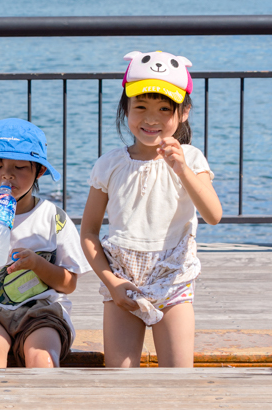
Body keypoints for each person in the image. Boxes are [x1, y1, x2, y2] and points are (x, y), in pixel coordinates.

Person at [80, 51, 223, 368]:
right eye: (140, 107)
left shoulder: (192, 159)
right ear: (126, 109)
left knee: (177, 380)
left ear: (183, 113)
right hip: (122, 282)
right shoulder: (110, 164)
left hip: (174, 281)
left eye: (164, 109)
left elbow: (214, 215)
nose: (151, 118)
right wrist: (111, 282)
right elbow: (88, 231)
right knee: (120, 380)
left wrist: (181, 168)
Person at [0, 118, 92, 369]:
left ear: (39, 170)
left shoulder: (54, 218)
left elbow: (69, 284)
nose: (7, 174)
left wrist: (38, 265)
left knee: (43, 358)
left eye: (19, 167)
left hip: (43, 311)